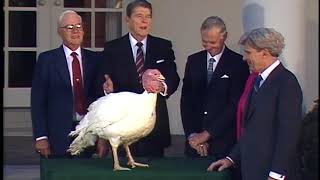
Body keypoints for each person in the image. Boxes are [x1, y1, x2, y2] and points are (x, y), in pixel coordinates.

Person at [207, 27, 303, 180]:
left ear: (264, 53)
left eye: (248, 52)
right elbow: (251, 130)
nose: (244, 58)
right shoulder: (256, 80)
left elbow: (288, 134)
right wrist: (231, 158)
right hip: (252, 170)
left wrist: (276, 174)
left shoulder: (286, 83)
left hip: (271, 174)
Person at [95, 0, 180, 157]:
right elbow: (102, 84)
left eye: (148, 16)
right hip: (123, 127)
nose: (144, 20)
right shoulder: (113, 48)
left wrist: (162, 87)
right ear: (127, 19)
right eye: (139, 16)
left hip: (153, 127)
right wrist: (108, 90)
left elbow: (173, 78)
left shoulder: (163, 46)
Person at [31, 10, 107, 158]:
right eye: (70, 27)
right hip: (57, 135)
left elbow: (102, 100)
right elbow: (38, 101)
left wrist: (103, 137)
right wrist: (41, 136)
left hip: (88, 132)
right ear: (60, 32)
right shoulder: (47, 60)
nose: (76, 31)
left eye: (79, 26)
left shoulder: (96, 59)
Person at [180, 16, 249, 160]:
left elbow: (235, 104)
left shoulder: (238, 63)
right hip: (195, 145)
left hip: (223, 144)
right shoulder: (193, 61)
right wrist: (193, 136)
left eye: (213, 42)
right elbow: (186, 101)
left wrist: (206, 134)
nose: (208, 46)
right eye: (204, 42)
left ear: (224, 37)